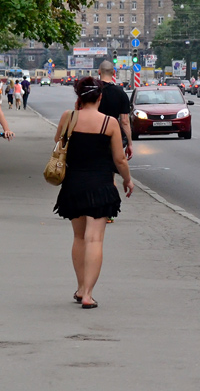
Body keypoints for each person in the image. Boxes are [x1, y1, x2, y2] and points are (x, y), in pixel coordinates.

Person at [52, 76, 134, 309]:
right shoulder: (109, 123)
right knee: (94, 239)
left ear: (79, 97)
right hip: (100, 186)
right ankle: (88, 294)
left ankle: (80, 289)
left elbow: (58, 143)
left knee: (79, 237)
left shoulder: (68, 117)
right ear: (100, 97)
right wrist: (127, 180)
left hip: (73, 185)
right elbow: (119, 159)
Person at [96, 61, 133, 159]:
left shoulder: (93, 91)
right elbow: (125, 121)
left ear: (99, 72)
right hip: (113, 136)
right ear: (114, 73)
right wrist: (129, 143)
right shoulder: (121, 94)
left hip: (93, 134)